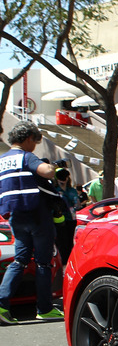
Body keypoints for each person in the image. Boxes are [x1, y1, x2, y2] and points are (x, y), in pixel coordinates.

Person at [0, 121, 65, 324]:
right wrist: (53, 166)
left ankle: (1, 305)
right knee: (43, 263)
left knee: (19, 260)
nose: (34, 146)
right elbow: (47, 172)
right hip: (37, 215)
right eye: (35, 142)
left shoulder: (2, 160)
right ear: (28, 139)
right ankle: (44, 309)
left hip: (15, 216)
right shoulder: (27, 156)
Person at [53, 168, 79, 263]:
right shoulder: (55, 190)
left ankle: (68, 261)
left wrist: (76, 204)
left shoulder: (72, 191)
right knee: (61, 242)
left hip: (71, 219)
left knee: (69, 241)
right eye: (60, 177)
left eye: (64, 177)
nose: (62, 180)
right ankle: (62, 261)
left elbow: (77, 204)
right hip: (59, 219)